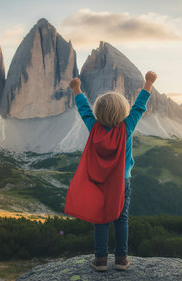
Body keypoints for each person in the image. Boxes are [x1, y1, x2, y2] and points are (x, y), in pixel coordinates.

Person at [67, 71, 157, 272]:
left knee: (101, 219)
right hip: (122, 182)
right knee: (121, 218)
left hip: (100, 182)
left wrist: (76, 90)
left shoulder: (94, 127)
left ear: (99, 113)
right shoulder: (127, 127)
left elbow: (84, 111)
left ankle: (100, 260)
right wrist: (148, 83)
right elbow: (140, 107)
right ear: (123, 113)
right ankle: (121, 259)